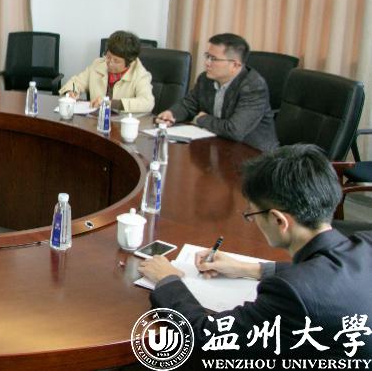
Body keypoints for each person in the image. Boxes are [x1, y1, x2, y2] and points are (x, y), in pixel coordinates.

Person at [139, 144, 372, 358]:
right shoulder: (366, 244)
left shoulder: (291, 292)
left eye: (251, 214)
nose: (252, 221)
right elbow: (322, 276)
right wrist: (249, 269)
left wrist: (167, 279)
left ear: (279, 221)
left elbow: (207, 337)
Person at [156, 33, 278, 152]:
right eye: (207, 56)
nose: (207, 63)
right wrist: (171, 114)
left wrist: (201, 119)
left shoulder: (254, 87)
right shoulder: (205, 79)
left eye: (213, 59)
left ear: (235, 65)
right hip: (219, 145)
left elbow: (234, 130)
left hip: (253, 153)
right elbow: (189, 104)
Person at [58, 30, 154, 112]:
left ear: (129, 62)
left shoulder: (140, 75)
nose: (110, 63)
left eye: (116, 61)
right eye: (108, 56)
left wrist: (110, 103)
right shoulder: (98, 64)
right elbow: (76, 82)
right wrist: (71, 92)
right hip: (94, 121)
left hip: (121, 123)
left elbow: (147, 102)